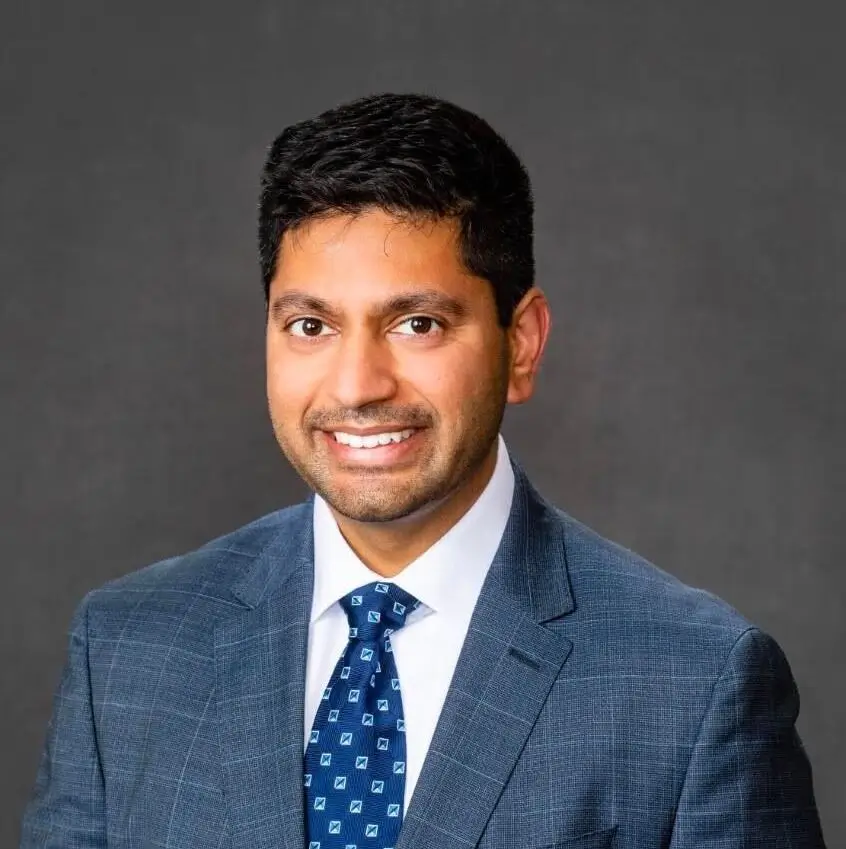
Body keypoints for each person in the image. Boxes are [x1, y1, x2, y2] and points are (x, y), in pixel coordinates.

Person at [20, 92, 825, 849]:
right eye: (310, 325)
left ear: (522, 342)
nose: (356, 384)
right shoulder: (126, 650)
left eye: (417, 322)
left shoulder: (694, 682)